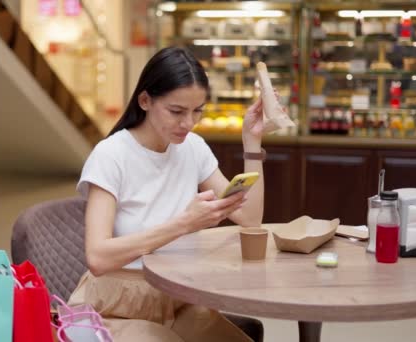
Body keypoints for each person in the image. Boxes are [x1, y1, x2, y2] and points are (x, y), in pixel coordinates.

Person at [69, 46, 267, 342]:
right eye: (176, 111)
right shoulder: (111, 155)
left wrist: (252, 141)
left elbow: (250, 218)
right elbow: (97, 257)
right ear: (145, 100)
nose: (188, 123)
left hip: (176, 295)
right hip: (113, 304)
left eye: (197, 111)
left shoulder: (193, 148)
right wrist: (184, 224)